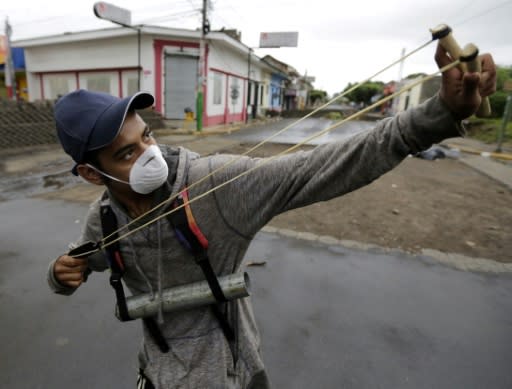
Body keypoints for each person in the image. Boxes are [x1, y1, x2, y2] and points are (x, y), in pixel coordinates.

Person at [47, 44, 496, 389]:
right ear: (91, 173)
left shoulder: (214, 186)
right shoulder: (102, 221)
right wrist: (60, 274)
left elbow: (328, 166)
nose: (150, 155)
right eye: (127, 153)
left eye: (146, 136)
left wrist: (439, 116)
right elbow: (81, 264)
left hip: (230, 372)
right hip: (158, 374)